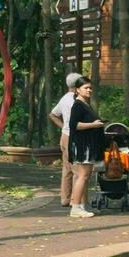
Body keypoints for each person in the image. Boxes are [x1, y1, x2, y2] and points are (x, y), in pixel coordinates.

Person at [65, 77, 104, 218]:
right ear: (77, 90)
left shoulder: (86, 104)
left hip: (88, 143)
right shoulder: (78, 105)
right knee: (82, 175)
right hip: (82, 145)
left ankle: (84, 204)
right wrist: (94, 125)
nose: (89, 90)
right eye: (85, 88)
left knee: (85, 176)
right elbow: (74, 125)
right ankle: (75, 207)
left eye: (90, 88)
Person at [48, 73, 83, 207]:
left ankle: (65, 198)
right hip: (72, 137)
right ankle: (76, 200)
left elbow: (53, 114)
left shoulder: (64, 98)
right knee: (77, 170)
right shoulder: (75, 101)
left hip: (64, 136)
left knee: (67, 169)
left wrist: (63, 126)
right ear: (77, 87)